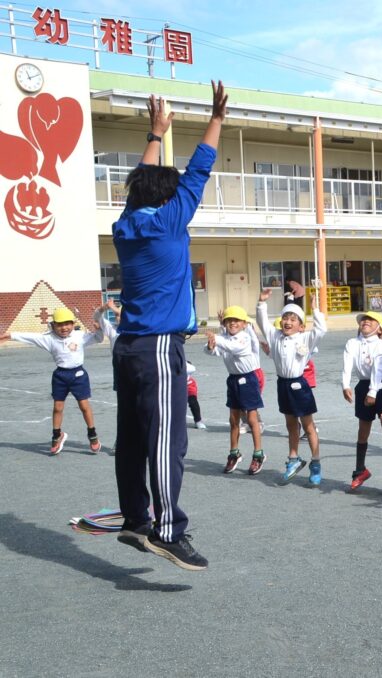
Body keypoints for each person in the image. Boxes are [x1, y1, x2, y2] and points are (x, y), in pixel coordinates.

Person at [109, 81, 226, 571]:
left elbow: (143, 183)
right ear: (168, 195)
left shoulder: (125, 226)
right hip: (159, 347)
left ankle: (136, 519)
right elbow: (200, 169)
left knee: (134, 437)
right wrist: (216, 116)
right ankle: (168, 530)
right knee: (166, 441)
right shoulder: (170, 221)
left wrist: (156, 132)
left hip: (128, 347)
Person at [0, 308, 104, 454]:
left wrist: (99, 330)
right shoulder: (49, 339)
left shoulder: (80, 336)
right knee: (57, 407)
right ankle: (57, 435)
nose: (64, 328)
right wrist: (10, 335)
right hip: (60, 376)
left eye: (68, 324)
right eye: (60, 324)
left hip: (78, 375)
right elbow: (30, 337)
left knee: (84, 406)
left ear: (73, 324)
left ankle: (92, 434)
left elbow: (98, 338)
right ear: (53, 325)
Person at [256, 288, 326, 485]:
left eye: (293, 319)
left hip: (299, 385)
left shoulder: (306, 338)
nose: (288, 322)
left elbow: (321, 330)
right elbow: (262, 322)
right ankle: (293, 459)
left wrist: (315, 310)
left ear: (301, 326)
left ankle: (316, 462)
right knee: (290, 425)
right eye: (285, 317)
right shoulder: (275, 335)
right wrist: (261, 303)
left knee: (308, 426)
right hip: (282, 385)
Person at [342, 311, 382, 493]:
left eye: (370, 320)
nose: (365, 322)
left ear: (378, 326)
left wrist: (373, 391)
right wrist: (345, 385)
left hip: (381, 387)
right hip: (363, 386)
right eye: (362, 320)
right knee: (363, 430)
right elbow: (347, 363)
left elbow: (379, 368)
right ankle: (360, 470)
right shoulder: (352, 343)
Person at [204, 306, 264, 475]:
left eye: (236, 321)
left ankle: (258, 454)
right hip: (233, 380)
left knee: (252, 419)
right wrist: (211, 346)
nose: (232, 323)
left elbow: (233, 347)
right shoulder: (224, 337)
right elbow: (214, 351)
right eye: (229, 321)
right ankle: (234, 453)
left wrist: (216, 336)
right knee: (233, 419)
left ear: (244, 324)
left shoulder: (243, 338)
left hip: (248, 379)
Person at [185, 361, 205, 431]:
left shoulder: (186, 364)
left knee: (193, 402)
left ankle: (198, 421)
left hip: (188, 384)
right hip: (173, 386)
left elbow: (192, 368)